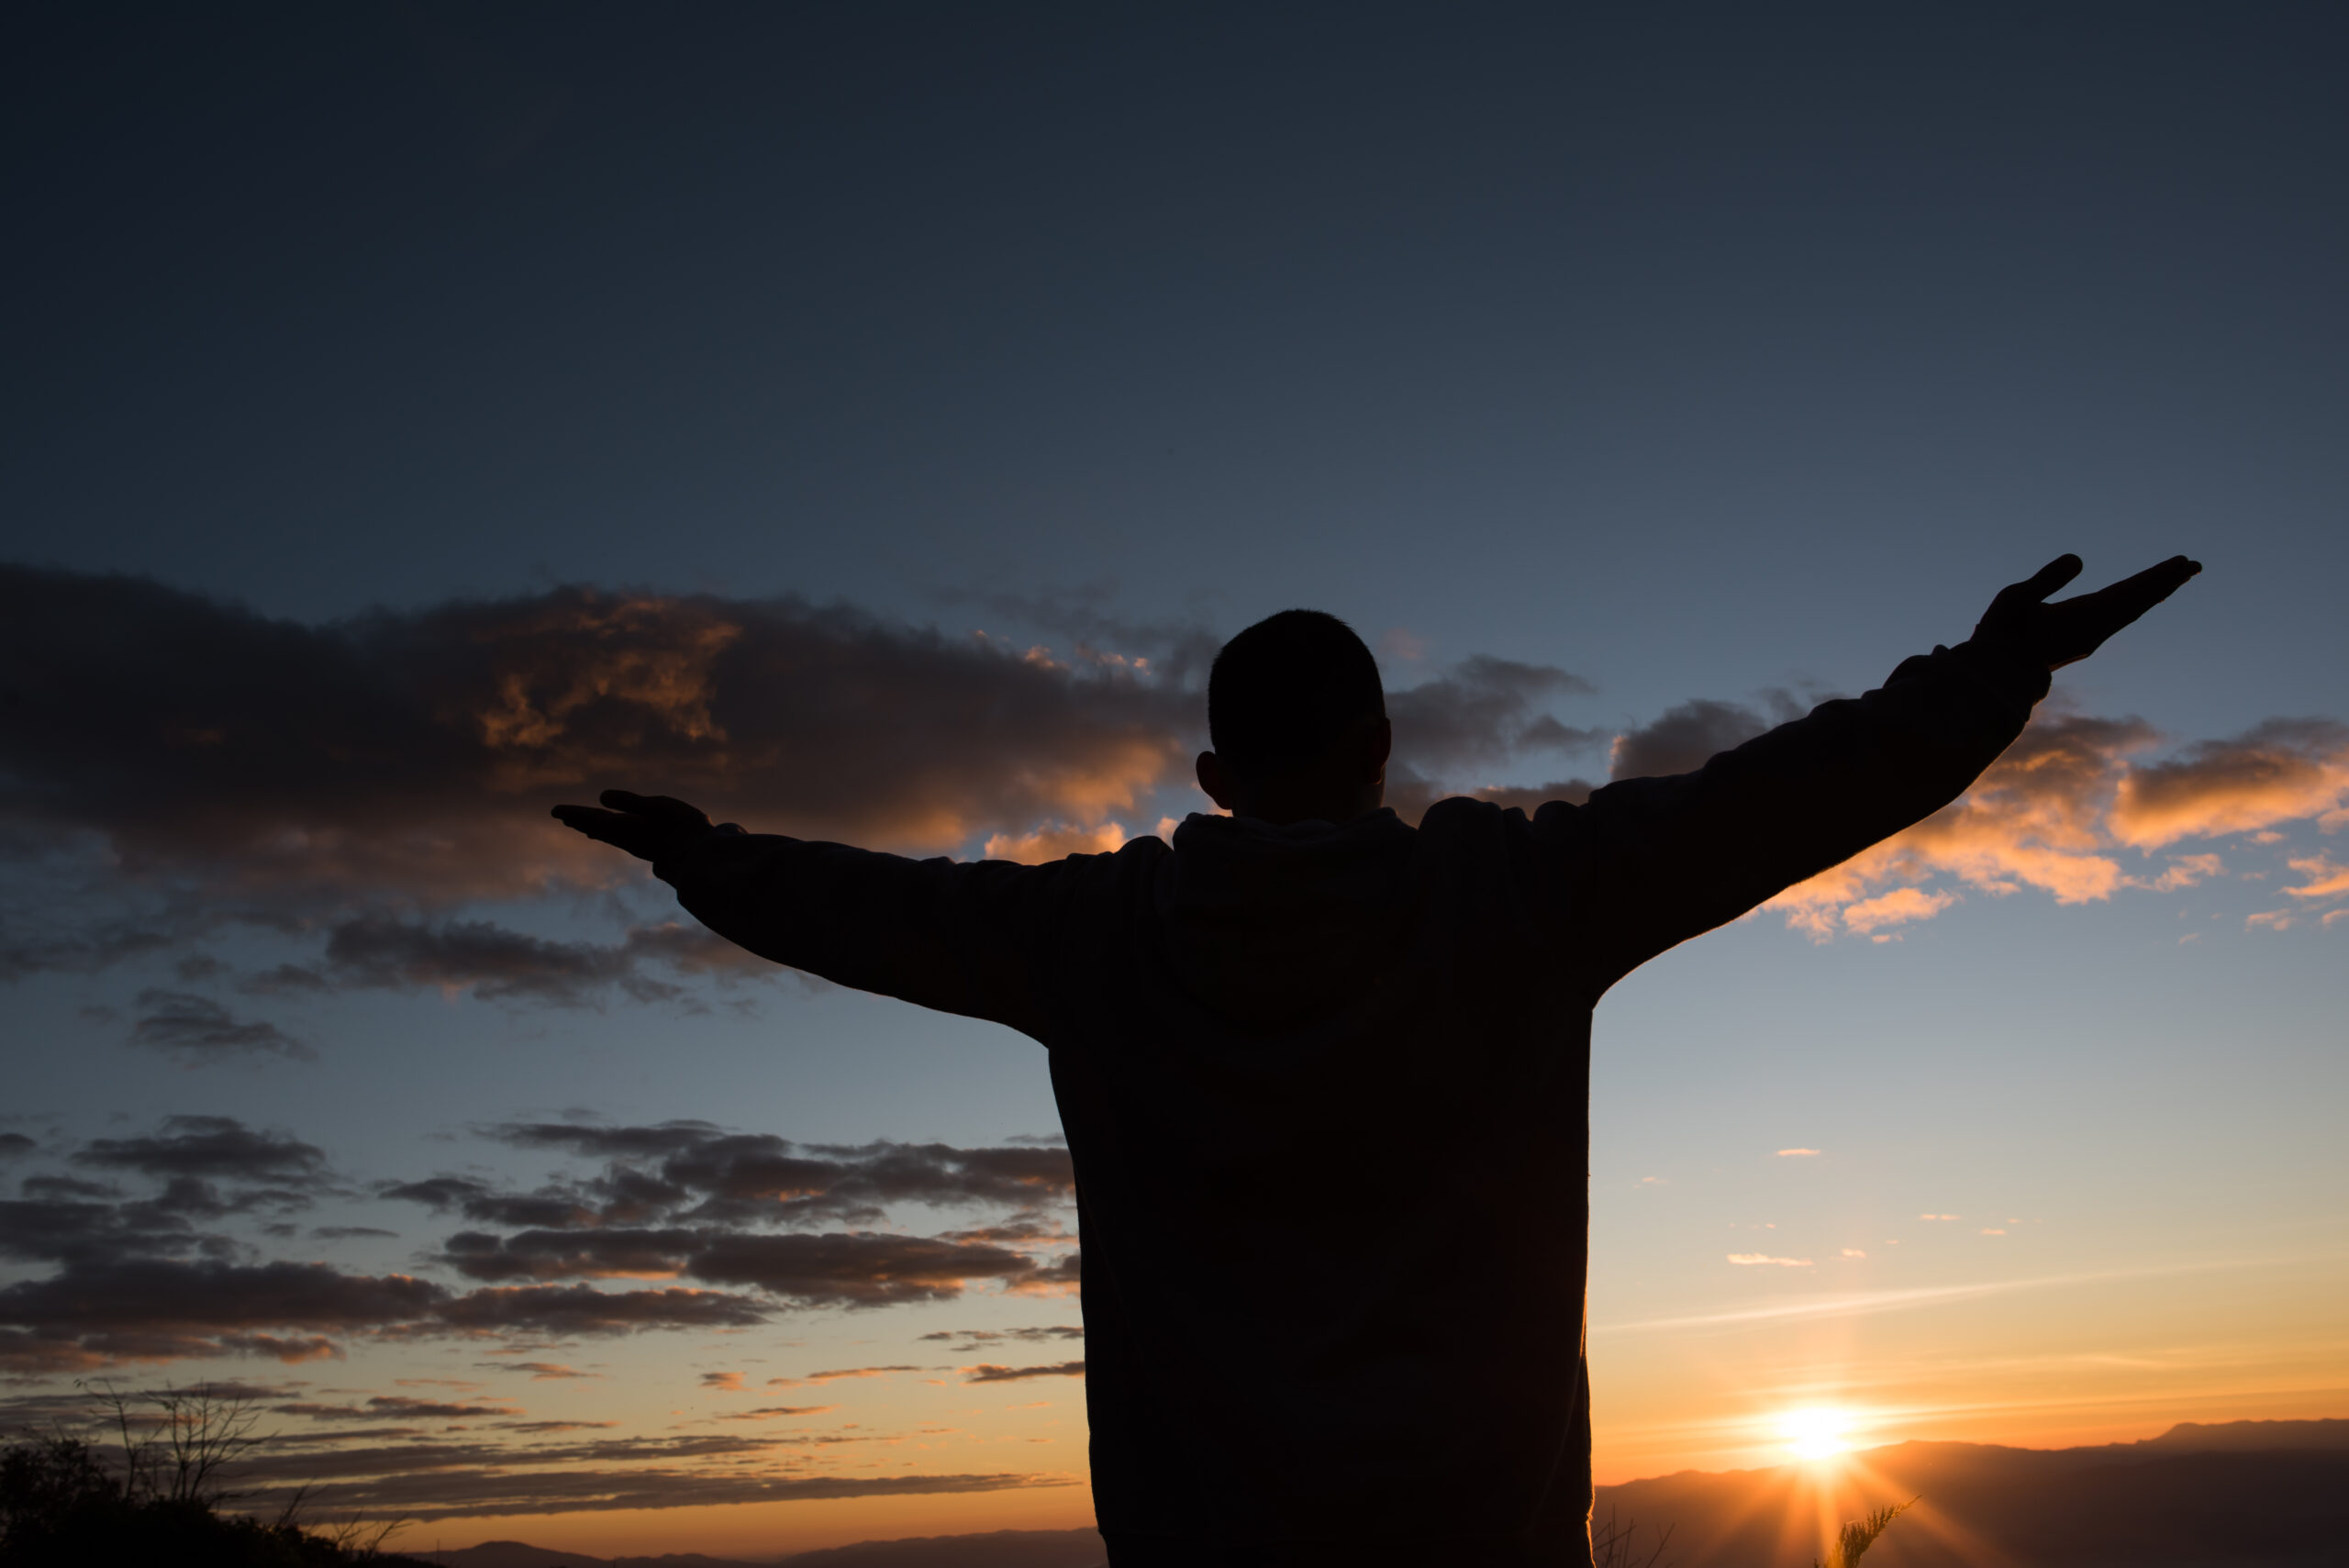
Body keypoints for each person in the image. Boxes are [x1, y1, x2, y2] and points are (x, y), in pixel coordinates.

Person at [554, 552, 2199, 1568]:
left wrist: (713, 857)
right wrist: (1988, 679)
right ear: (1380, 748)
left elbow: (880, 909)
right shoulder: (1517, 898)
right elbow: (1772, 800)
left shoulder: (1091, 939)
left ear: (1209, 772)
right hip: (1476, 1533)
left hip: (1201, 1538)